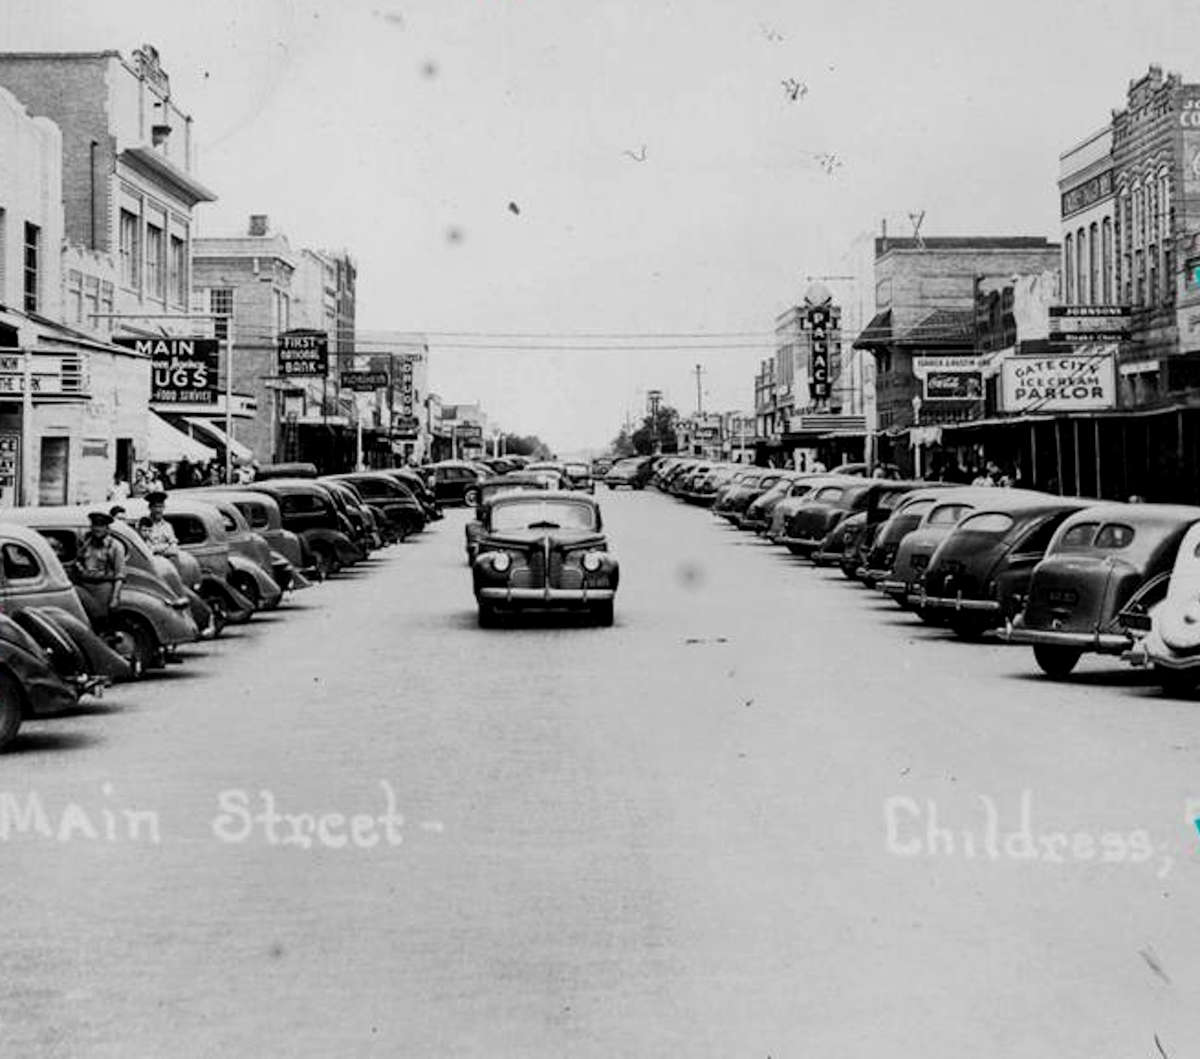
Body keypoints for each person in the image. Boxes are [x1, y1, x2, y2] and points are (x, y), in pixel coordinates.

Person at [72, 511, 126, 634]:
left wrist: (115, 598)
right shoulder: (86, 543)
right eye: (95, 525)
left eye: (101, 525)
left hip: (103, 588)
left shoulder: (115, 546)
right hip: (85, 586)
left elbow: (119, 575)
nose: (97, 529)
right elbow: (78, 560)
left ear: (107, 528)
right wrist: (79, 567)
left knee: (102, 622)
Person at [137, 490, 179, 557]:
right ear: (150, 508)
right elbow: (146, 549)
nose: (158, 510)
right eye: (155, 507)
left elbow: (174, 550)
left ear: (164, 508)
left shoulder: (167, 526)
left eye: (160, 507)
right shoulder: (144, 523)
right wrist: (167, 545)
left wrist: (156, 549)